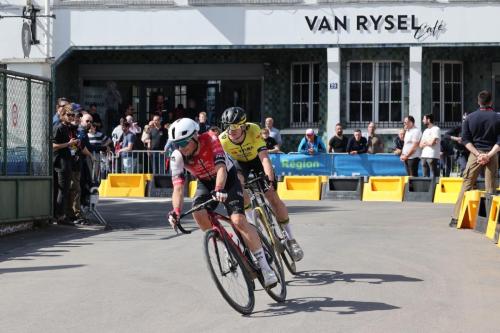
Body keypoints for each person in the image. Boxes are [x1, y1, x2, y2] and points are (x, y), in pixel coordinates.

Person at [166, 118, 278, 287]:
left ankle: (265, 266)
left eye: (184, 142)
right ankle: (227, 243)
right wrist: (175, 211)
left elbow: (221, 168)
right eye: (177, 144)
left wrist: (219, 188)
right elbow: (178, 188)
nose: (181, 147)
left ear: (195, 136)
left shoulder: (210, 139)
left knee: (238, 220)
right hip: (205, 182)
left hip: (228, 177)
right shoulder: (177, 156)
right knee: (198, 212)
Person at [219, 107, 304, 261]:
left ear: (244, 126)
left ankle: (290, 238)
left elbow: (264, 158)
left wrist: (269, 180)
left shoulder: (254, 130)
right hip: (240, 164)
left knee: (272, 196)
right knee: (237, 183)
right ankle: (252, 221)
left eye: (235, 127)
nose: (231, 131)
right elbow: (223, 167)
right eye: (227, 127)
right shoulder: (223, 139)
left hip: (257, 160)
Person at [450, 91, 500, 227]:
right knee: (491, 187)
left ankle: (456, 218)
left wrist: (478, 155)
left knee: (467, 183)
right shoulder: (497, 118)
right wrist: (488, 155)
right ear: (491, 102)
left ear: (478, 102)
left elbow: (465, 140)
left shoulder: (470, 118)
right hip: (492, 153)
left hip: (474, 154)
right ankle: (491, 220)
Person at [52, 105, 78, 225]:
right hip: (60, 162)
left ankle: (59, 215)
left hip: (66, 160)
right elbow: (53, 146)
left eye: (73, 115)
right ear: (62, 116)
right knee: (62, 189)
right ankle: (60, 216)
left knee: (64, 189)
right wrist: (68, 144)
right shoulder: (58, 127)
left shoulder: (67, 128)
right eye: (69, 115)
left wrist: (73, 145)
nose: (71, 117)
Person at [419, 114, 440, 178]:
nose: (423, 121)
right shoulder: (425, 131)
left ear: (428, 120)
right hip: (424, 155)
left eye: (424, 119)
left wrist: (426, 143)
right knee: (425, 175)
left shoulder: (436, 129)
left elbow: (432, 143)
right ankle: (426, 187)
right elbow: (420, 145)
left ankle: (435, 187)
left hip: (432, 155)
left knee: (434, 175)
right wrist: (427, 142)